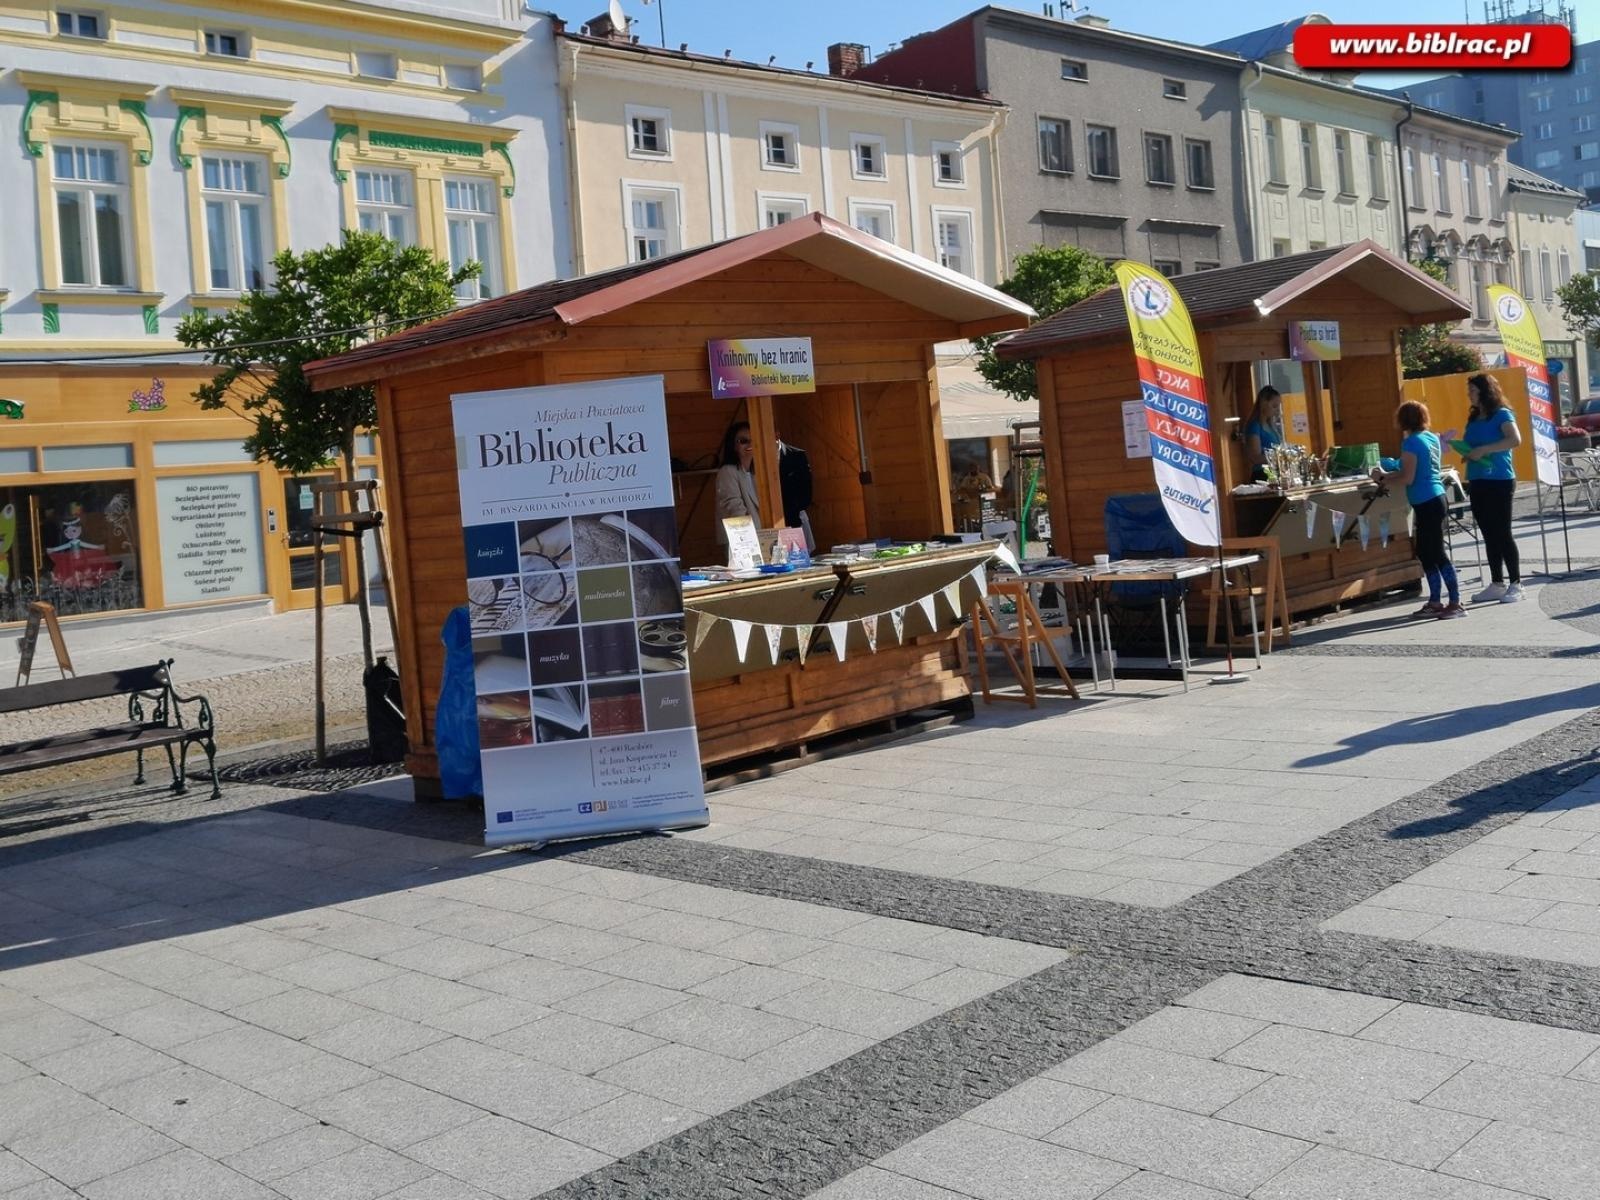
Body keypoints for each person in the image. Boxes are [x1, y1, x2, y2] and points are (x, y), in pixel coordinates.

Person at [1372, 399, 1464, 619]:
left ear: (1403, 420)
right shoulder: (1431, 438)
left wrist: (1382, 478)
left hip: (1426, 501)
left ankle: (1455, 602)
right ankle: (1435, 601)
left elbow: (1408, 477)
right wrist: (1388, 474)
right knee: (1426, 551)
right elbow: (1412, 470)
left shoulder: (1411, 442)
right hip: (1436, 497)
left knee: (1435, 552)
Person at [1457, 372, 1523, 604]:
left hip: (1500, 480)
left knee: (1502, 532)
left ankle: (1516, 583)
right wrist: (1465, 451)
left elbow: (1515, 440)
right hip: (1477, 479)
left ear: (1486, 391)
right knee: (1487, 533)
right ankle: (1497, 583)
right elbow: (1473, 445)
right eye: (1469, 391)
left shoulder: (1502, 414)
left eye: (1473, 391)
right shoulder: (1474, 418)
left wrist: (1485, 450)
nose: (1469, 395)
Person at [714, 421, 760, 546]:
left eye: (753, 439)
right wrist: (752, 539)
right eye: (743, 441)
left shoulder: (757, 472)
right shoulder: (727, 471)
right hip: (740, 541)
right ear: (733, 446)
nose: (749, 444)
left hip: (761, 539)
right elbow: (734, 508)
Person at [1242, 386, 1284, 480]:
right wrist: (1278, 458)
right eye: (1274, 406)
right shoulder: (1254, 426)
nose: (1277, 410)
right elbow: (1255, 457)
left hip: (1275, 473)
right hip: (1262, 475)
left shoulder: (1271, 427)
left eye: (1278, 406)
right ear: (1264, 404)